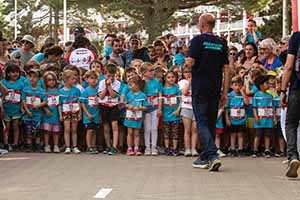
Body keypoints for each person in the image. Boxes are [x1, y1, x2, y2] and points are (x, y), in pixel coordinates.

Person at [186, 13, 231, 172]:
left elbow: (190, 63)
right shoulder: (221, 43)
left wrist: (186, 63)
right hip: (215, 87)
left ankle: (212, 155)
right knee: (211, 122)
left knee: (202, 121)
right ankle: (204, 157)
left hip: (200, 87)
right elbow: (227, 70)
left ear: (202, 24)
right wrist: (225, 92)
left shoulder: (197, 41)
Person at [280, 31, 300, 178]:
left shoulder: (297, 37)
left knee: (291, 123)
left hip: (297, 89)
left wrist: (282, 90)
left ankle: (293, 157)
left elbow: (288, 66)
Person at [98, 64, 121, 156]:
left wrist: (109, 86)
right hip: (104, 106)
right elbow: (101, 96)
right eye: (108, 75)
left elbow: (113, 95)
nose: (111, 78)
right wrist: (105, 86)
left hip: (113, 106)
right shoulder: (101, 82)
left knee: (114, 127)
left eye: (113, 76)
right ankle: (108, 145)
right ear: (104, 74)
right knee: (106, 128)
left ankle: (114, 146)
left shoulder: (117, 83)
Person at [21, 69, 47, 152]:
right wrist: (26, 110)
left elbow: (45, 101)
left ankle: (37, 145)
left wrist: (39, 105)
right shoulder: (25, 89)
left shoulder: (41, 90)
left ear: (39, 79)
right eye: (30, 77)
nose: (32, 79)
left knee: (37, 131)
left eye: (34, 77)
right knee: (28, 130)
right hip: (27, 115)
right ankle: (29, 145)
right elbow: (23, 100)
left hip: (37, 114)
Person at [140, 62, 163, 156]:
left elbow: (160, 95)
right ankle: (147, 147)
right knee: (147, 128)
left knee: (154, 128)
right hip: (145, 109)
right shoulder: (141, 82)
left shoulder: (156, 82)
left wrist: (159, 109)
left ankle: (153, 147)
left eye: (153, 70)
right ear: (144, 72)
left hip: (154, 108)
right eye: (150, 71)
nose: (152, 72)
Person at [252, 75, 276, 158]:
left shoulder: (270, 96)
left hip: (268, 120)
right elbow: (254, 107)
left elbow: (272, 108)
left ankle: (267, 150)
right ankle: (255, 150)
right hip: (260, 120)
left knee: (267, 135)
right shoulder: (256, 95)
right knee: (258, 135)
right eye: (266, 83)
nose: (268, 85)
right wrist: (256, 117)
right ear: (261, 85)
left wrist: (274, 118)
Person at [124, 75, 149, 156]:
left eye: (131, 85)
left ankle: (136, 148)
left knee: (137, 133)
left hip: (138, 117)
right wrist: (129, 106)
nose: (129, 87)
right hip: (129, 116)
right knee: (130, 132)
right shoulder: (128, 94)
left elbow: (146, 106)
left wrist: (139, 108)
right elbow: (124, 104)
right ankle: (129, 148)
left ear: (137, 85)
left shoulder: (142, 95)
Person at [1, 63, 23, 151]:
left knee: (16, 126)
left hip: (16, 108)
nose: (15, 74)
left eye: (17, 72)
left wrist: (22, 108)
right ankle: (6, 143)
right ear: (8, 73)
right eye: (12, 72)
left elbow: (23, 97)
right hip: (6, 108)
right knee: (6, 127)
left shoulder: (21, 83)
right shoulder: (3, 83)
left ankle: (15, 143)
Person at [59, 70, 82, 154]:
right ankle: (67, 146)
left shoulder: (76, 90)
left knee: (74, 129)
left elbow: (79, 101)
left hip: (75, 111)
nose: (74, 80)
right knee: (67, 129)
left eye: (75, 78)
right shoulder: (61, 91)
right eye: (72, 79)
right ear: (66, 79)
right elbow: (60, 104)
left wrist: (80, 113)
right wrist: (60, 115)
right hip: (66, 112)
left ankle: (75, 146)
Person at [178, 66, 198, 157]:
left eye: (189, 71)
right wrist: (190, 81)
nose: (188, 73)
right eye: (185, 72)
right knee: (187, 130)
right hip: (186, 107)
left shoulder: (198, 81)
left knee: (195, 129)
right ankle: (187, 149)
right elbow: (184, 92)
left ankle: (194, 148)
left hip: (196, 107)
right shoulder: (182, 82)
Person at [225, 76, 247, 156]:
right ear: (232, 86)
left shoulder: (242, 95)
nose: (238, 87)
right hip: (232, 119)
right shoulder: (229, 95)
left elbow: (247, 103)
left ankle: (240, 149)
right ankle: (233, 149)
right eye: (236, 85)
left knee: (240, 134)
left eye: (239, 85)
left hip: (241, 119)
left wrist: (243, 93)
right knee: (233, 134)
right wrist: (227, 119)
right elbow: (226, 108)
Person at [162, 71, 182, 156]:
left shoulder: (176, 89)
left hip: (175, 115)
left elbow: (181, 101)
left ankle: (174, 148)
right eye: (169, 77)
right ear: (165, 79)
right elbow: (160, 101)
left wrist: (178, 110)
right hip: (165, 114)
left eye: (173, 77)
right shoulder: (162, 89)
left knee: (175, 132)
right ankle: (167, 148)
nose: (171, 79)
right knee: (166, 132)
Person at [81, 70, 100, 154]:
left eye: (95, 78)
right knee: (89, 131)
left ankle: (93, 146)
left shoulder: (98, 91)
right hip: (88, 115)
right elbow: (82, 103)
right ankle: (88, 147)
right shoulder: (85, 91)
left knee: (94, 131)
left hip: (96, 114)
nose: (94, 80)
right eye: (91, 78)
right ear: (87, 79)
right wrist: (87, 114)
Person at [42, 71, 61, 153]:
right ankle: (47, 145)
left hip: (55, 114)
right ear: (45, 81)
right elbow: (42, 103)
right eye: (49, 80)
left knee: (56, 131)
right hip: (47, 114)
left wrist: (60, 115)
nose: (51, 81)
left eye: (53, 79)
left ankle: (56, 145)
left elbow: (59, 104)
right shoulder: (44, 91)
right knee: (47, 131)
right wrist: (46, 110)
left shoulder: (58, 91)